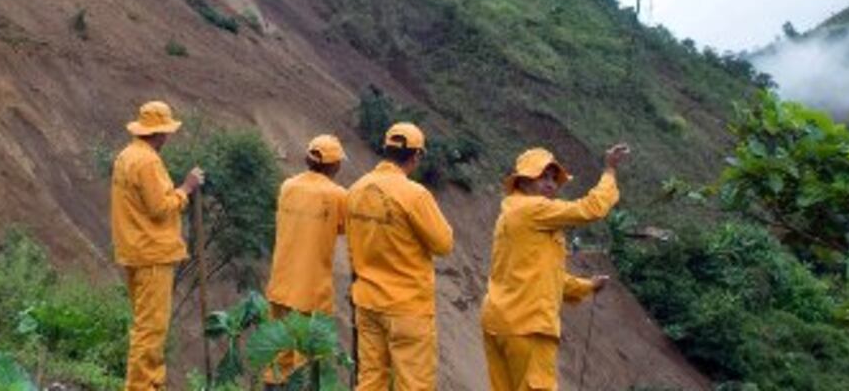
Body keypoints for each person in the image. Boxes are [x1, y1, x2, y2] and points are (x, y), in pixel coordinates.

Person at [480, 144, 629, 391]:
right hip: (527, 324)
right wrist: (610, 171)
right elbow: (590, 209)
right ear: (523, 181)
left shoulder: (512, 212)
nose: (550, 183)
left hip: (499, 321)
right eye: (542, 176)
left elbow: (545, 276)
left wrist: (587, 286)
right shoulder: (533, 210)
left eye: (553, 178)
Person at [346, 122, 454, 391]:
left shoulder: (356, 190)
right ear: (416, 156)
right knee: (414, 385)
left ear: (386, 149)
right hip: (407, 309)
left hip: (367, 303)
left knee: (370, 380)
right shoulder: (414, 195)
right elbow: (443, 244)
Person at [111, 101, 204, 391]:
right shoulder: (148, 161)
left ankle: (150, 384)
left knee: (144, 325)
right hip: (152, 254)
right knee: (151, 330)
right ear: (161, 132)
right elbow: (160, 207)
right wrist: (186, 188)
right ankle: (143, 387)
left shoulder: (126, 156)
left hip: (134, 249)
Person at [262, 134, 348, 386]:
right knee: (308, 359)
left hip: (281, 282)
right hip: (311, 289)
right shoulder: (337, 195)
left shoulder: (288, 186)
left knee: (278, 354)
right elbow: (343, 228)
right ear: (334, 165)